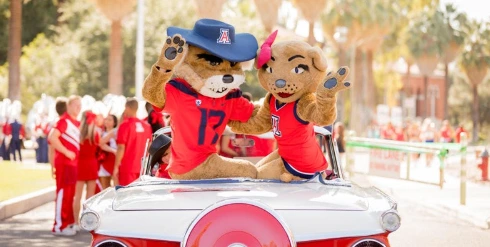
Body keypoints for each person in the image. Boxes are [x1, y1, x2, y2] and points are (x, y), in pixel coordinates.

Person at [48, 95, 81, 236]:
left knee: (70, 194)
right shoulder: (64, 121)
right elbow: (52, 137)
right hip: (64, 163)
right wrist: (66, 152)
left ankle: (69, 222)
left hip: (74, 165)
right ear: (68, 106)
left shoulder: (77, 123)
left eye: (80, 105)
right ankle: (59, 226)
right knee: (63, 194)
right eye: (75, 105)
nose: (78, 108)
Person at [73, 111, 101, 230]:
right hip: (91, 164)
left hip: (79, 165)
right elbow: (100, 146)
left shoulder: (76, 133)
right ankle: (88, 223)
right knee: (90, 197)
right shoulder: (95, 134)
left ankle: (75, 223)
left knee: (77, 196)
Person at [114, 98, 152, 186]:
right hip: (142, 168)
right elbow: (149, 147)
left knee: (126, 195)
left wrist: (115, 167)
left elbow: (121, 148)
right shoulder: (146, 126)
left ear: (127, 108)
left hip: (127, 167)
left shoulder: (124, 125)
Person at [49, 97, 68, 178]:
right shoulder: (61, 124)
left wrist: (52, 166)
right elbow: (52, 146)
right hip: (63, 163)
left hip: (61, 162)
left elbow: (50, 150)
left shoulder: (56, 123)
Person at [98, 114, 118, 189]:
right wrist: (112, 150)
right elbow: (100, 144)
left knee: (116, 185)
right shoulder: (101, 133)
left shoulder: (117, 133)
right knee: (105, 188)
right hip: (104, 161)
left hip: (115, 161)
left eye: (110, 120)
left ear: (114, 122)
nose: (107, 121)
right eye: (106, 119)